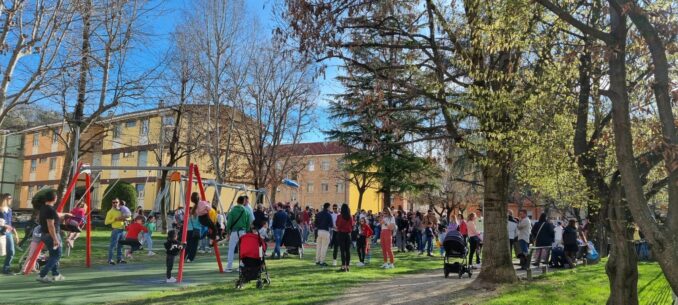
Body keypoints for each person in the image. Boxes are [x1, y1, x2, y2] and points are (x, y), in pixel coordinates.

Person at [36, 189, 71, 283]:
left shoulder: (44, 208)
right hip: (51, 235)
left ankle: (56, 274)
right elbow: (50, 225)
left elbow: (55, 215)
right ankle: (42, 275)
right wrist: (55, 239)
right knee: (57, 255)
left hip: (44, 235)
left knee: (53, 255)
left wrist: (65, 214)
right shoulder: (50, 210)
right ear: (55, 198)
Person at [225, 196, 252, 272]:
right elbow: (248, 223)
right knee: (242, 249)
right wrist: (246, 231)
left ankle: (229, 266)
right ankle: (241, 265)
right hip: (243, 232)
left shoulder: (233, 211)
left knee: (231, 249)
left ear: (237, 201)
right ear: (243, 202)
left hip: (234, 231)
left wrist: (227, 232)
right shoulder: (246, 211)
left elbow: (229, 222)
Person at [105, 198, 130, 265]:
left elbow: (129, 217)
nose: (115, 203)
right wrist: (115, 219)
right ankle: (110, 260)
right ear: (112, 203)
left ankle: (120, 259)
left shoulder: (121, 210)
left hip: (122, 230)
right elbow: (106, 222)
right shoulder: (110, 212)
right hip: (115, 230)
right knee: (113, 246)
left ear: (119, 202)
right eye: (113, 202)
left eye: (116, 202)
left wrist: (125, 218)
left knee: (121, 245)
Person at [1, 193, 18, 274]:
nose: (11, 199)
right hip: (0, 233)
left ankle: (6, 269)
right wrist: (4, 225)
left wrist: (16, 234)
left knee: (11, 251)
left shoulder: (10, 210)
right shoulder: (0, 209)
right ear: (4, 199)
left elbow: (10, 224)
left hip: (8, 233)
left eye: (11, 198)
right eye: (9, 198)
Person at [334, 203, 354, 272]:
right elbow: (352, 225)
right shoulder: (350, 217)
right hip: (348, 234)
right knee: (347, 251)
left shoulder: (340, 216)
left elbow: (337, 224)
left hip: (341, 234)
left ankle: (343, 266)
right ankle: (347, 266)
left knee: (342, 251)